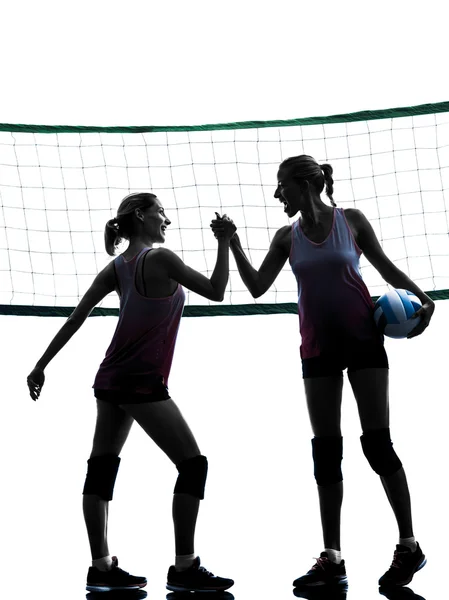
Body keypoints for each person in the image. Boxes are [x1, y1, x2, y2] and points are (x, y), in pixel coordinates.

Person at [211, 155, 435, 588]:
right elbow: (257, 286)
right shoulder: (285, 237)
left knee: (377, 444)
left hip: (364, 341)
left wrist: (424, 299)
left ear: (302, 183)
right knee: (326, 451)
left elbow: (384, 266)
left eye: (282, 186)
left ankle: (409, 546)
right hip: (317, 349)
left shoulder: (350, 220)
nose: (277, 194)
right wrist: (234, 243)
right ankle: (332, 558)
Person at [26, 192, 236, 594]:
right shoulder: (160, 259)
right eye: (160, 212)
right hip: (139, 381)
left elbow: (76, 318)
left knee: (101, 468)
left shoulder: (118, 266)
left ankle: (101, 567)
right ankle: (185, 567)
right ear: (141, 216)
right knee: (193, 465)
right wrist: (224, 242)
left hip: (111, 379)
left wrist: (41, 364)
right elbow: (216, 289)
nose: (166, 220)